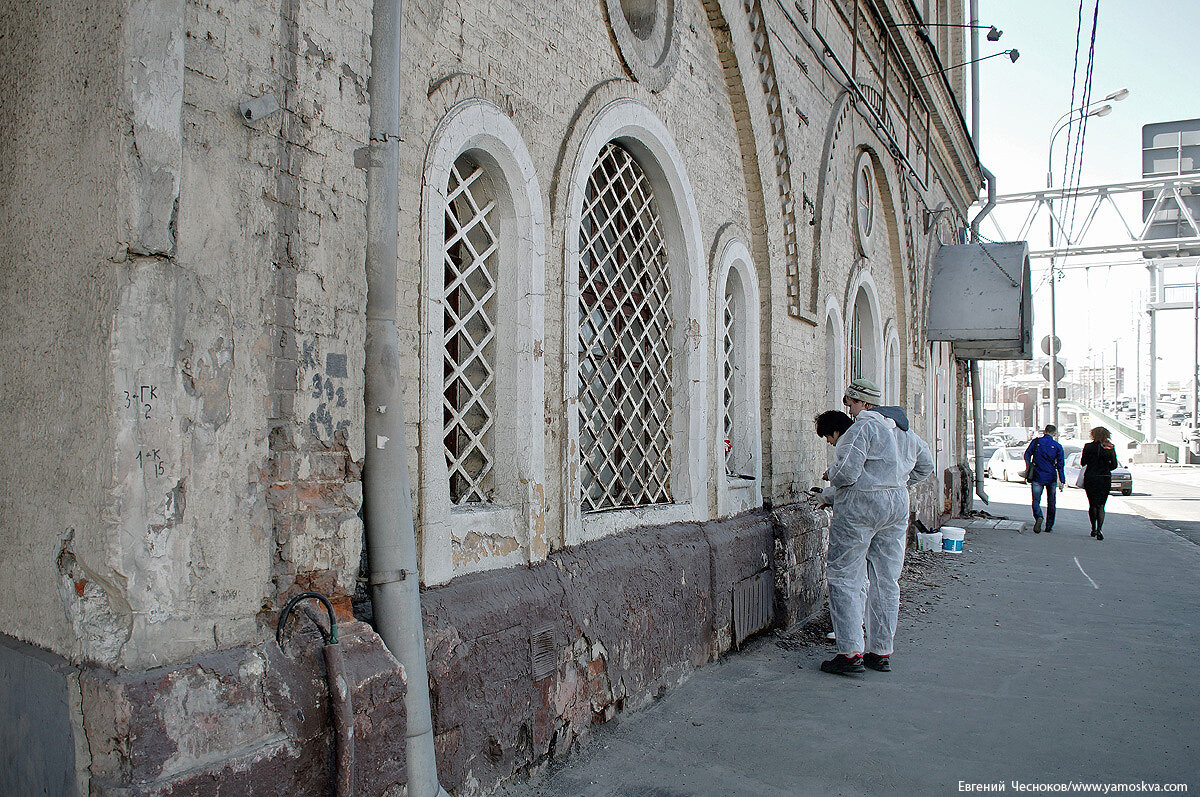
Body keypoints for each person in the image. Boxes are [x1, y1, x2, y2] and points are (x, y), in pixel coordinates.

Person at [814, 379, 933, 676]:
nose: (850, 410)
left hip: (860, 509)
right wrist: (898, 485)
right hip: (896, 505)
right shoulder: (904, 431)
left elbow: (847, 473)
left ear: (865, 403)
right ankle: (880, 652)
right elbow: (925, 466)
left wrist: (832, 474)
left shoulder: (863, 428)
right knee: (886, 579)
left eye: (852, 404)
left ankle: (850, 652)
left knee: (845, 576)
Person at [1023, 425, 1065, 534]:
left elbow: (1027, 454)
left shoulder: (1036, 442)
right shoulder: (1057, 446)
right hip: (1051, 476)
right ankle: (1049, 526)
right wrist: (1062, 480)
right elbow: (1060, 465)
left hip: (1037, 475)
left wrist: (1028, 465)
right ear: (1054, 433)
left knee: (1036, 500)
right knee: (1051, 501)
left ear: (1044, 431)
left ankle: (1039, 516)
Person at [1080, 426, 1119, 541]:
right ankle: (1099, 529)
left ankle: (1093, 528)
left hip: (1091, 477)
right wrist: (1105, 467)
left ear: (1093, 435)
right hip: (1104, 478)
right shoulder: (1109, 447)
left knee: (1092, 504)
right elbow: (1114, 465)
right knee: (1101, 505)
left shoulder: (1088, 447)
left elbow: (1083, 462)